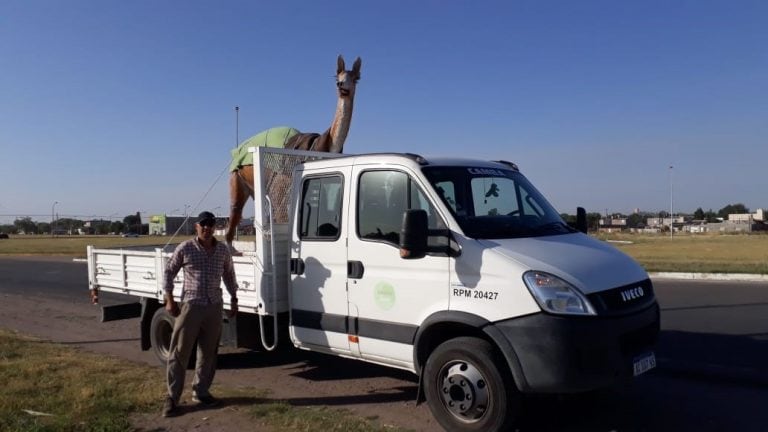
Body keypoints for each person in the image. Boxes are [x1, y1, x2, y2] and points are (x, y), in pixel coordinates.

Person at [161, 211, 238, 417]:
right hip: (191, 306)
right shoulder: (186, 248)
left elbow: (229, 274)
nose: (207, 228)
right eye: (203, 224)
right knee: (179, 351)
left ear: (215, 227)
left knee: (209, 352)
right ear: (197, 227)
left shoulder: (222, 250)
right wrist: (169, 299)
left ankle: (201, 392)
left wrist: (234, 298)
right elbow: (169, 271)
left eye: (211, 224)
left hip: (214, 306)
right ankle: (171, 397)